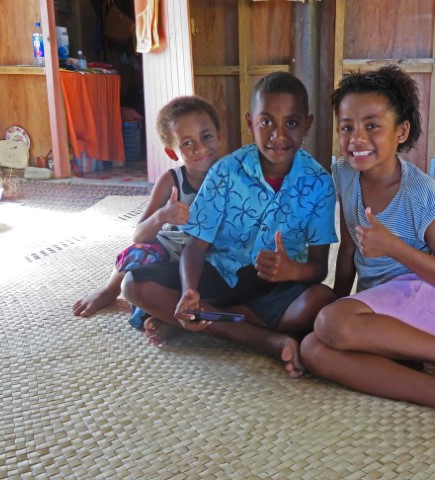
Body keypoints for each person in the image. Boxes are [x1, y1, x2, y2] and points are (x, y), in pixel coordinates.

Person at [299, 66, 435, 461]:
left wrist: (393, 247)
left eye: (372, 126)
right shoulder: (345, 175)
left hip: (432, 300)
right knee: (315, 349)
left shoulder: (420, 192)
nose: (357, 139)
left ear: (400, 132)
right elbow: (349, 248)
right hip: (388, 308)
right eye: (347, 127)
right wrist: (334, 303)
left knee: (332, 325)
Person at [121, 71, 338, 378]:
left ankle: (208, 320)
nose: (278, 134)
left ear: (307, 125)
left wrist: (292, 270)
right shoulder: (225, 171)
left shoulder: (319, 183)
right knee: (132, 284)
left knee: (320, 302)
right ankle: (261, 339)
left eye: (291, 122)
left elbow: (318, 268)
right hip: (219, 276)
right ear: (251, 123)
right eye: (266, 122)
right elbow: (195, 246)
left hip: (276, 286)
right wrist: (190, 291)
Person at [72, 95, 223, 325]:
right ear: (172, 153)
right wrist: (163, 216)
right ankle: (110, 291)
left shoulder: (231, 178)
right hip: (166, 254)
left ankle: (162, 318)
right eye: (187, 143)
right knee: (137, 253)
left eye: (206, 137)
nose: (200, 147)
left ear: (219, 136)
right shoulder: (171, 181)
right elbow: (139, 235)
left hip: (205, 257)